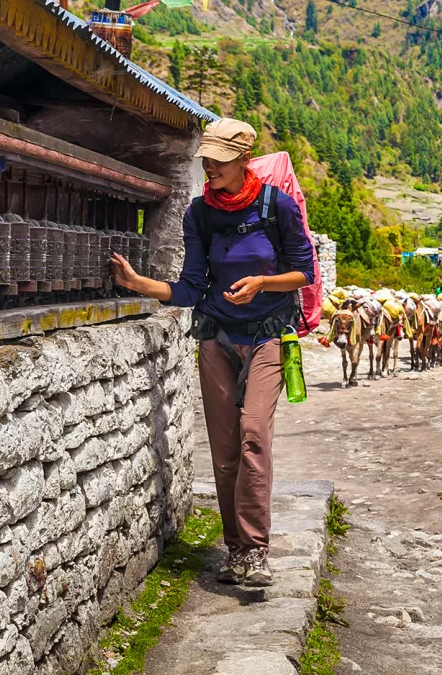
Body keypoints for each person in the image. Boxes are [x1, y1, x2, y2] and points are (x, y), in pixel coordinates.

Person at [111, 118, 314, 586]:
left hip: (268, 334)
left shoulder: (276, 207)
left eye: (218, 160)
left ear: (244, 160)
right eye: (206, 159)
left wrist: (264, 282)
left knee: (253, 435)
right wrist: (143, 286)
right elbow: (191, 287)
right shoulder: (198, 213)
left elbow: (304, 270)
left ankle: (256, 549)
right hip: (216, 338)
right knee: (224, 452)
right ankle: (237, 550)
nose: (209, 167)